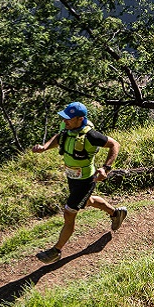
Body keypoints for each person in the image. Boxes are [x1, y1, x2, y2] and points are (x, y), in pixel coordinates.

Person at [31, 102, 127, 264]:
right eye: (64, 117)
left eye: (68, 118)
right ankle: (116, 214)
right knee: (87, 201)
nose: (65, 121)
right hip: (72, 178)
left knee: (69, 212)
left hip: (86, 180)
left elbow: (114, 144)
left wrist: (105, 168)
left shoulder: (90, 135)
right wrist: (44, 147)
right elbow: (59, 137)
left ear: (80, 119)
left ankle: (56, 251)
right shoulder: (67, 128)